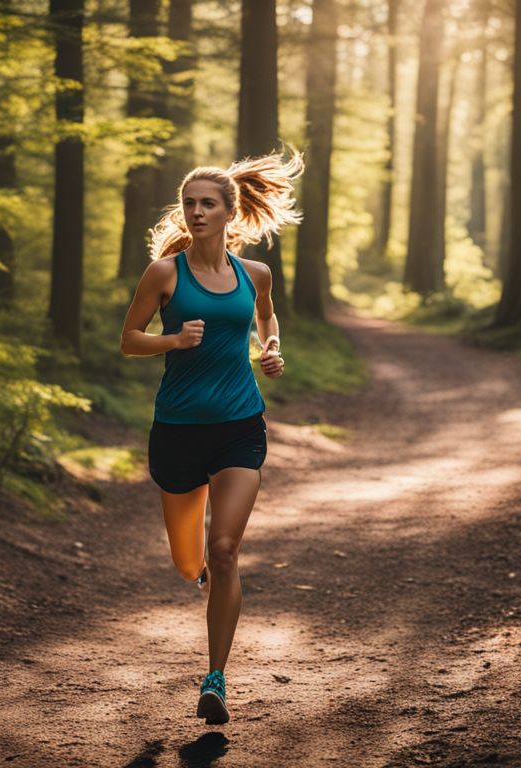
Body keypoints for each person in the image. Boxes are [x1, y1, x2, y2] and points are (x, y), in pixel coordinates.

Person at [118, 151, 303, 726]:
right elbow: (128, 339)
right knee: (186, 561)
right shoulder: (165, 274)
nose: (196, 212)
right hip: (176, 433)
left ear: (230, 212)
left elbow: (266, 320)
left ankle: (216, 678)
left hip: (239, 428)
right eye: (189, 203)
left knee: (224, 551)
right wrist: (172, 342)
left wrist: (270, 349)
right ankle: (195, 568)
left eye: (207, 204)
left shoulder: (256, 275)